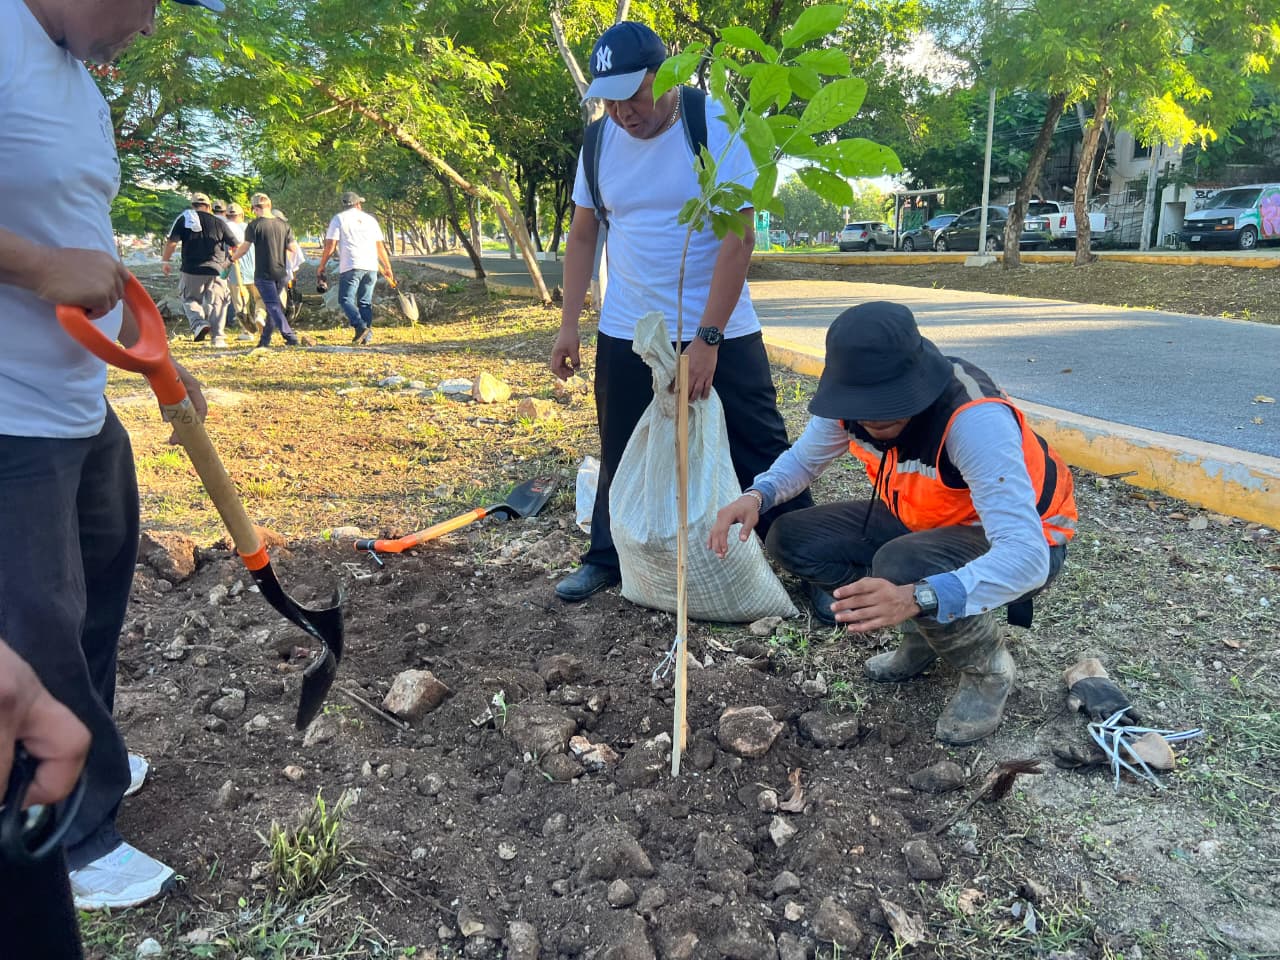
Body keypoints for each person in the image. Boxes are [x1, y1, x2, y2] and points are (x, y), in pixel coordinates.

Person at [0, 0, 220, 910]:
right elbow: (60, 261)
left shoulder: (82, 82)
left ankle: (95, 760)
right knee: (38, 624)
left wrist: (160, 359)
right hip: (9, 412)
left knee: (95, 601)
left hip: (77, 404)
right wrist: (39, 269)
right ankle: (69, 840)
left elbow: (92, 244)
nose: (156, 22)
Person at [709, 302, 1077, 745]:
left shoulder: (973, 421)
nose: (875, 419)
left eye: (890, 407)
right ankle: (925, 633)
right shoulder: (848, 404)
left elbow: (1027, 558)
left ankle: (987, 670)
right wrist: (757, 496)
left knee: (901, 564)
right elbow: (804, 461)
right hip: (922, 520)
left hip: (1031, 541)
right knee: (790, 537)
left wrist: (916, 595)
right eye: (866, 408)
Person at [549, 21, 811, 602]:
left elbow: (738, 237)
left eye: (634, 95)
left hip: (721, 326)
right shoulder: (599, 143)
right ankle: (607, 557)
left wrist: (709, 339)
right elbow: (584, 235)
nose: (623, 112)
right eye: (609, 99)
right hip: (629, 329)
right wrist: (570, 324)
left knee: (759, 442)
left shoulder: (713, 125)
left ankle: (806, 559)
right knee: (622, 446)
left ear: (664, 75)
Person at [316, 190, 395, 344]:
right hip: (371, 266)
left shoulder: (339, 219)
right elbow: (379, 246)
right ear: (358, 204)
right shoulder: (370, 220)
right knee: (365, 302)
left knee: (345, 299)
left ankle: (360, 326)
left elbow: (330, 246)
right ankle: (367, 337)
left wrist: (322, 265)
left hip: (351, 265)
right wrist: (387, 267)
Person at [161, 190, 236, 347]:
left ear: (193, 205)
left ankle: (199, 323)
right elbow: (235, 245)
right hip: (217, 269)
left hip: (192, 269)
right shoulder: (219, 222)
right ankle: (218, 338)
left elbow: (172, 242)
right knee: (218, 302)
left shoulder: (184, 219)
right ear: (208, 207)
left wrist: (165, 261)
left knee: (190, 299)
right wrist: (229, 262)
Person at [230, 192, 302, 347]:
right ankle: (264, 340)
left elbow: (244, 248)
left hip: (264, 273)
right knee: (272, 307)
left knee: (273, 306)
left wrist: (231, 259)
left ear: (255, 208)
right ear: (270, 205)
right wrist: (284, 261)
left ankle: (290, 336)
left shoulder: (254, 225)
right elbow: (293, 248)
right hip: (281, 273)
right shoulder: (284, 225)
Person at [223, 201, 265, 339]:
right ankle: (260, 315)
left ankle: (247, 332)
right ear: (241, 215)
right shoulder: (251, 227)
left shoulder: (226, 230)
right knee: (259, 298)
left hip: (236, 273)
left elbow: (225, 253)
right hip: (255, 270)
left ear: (226, 215)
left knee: (240, 303)